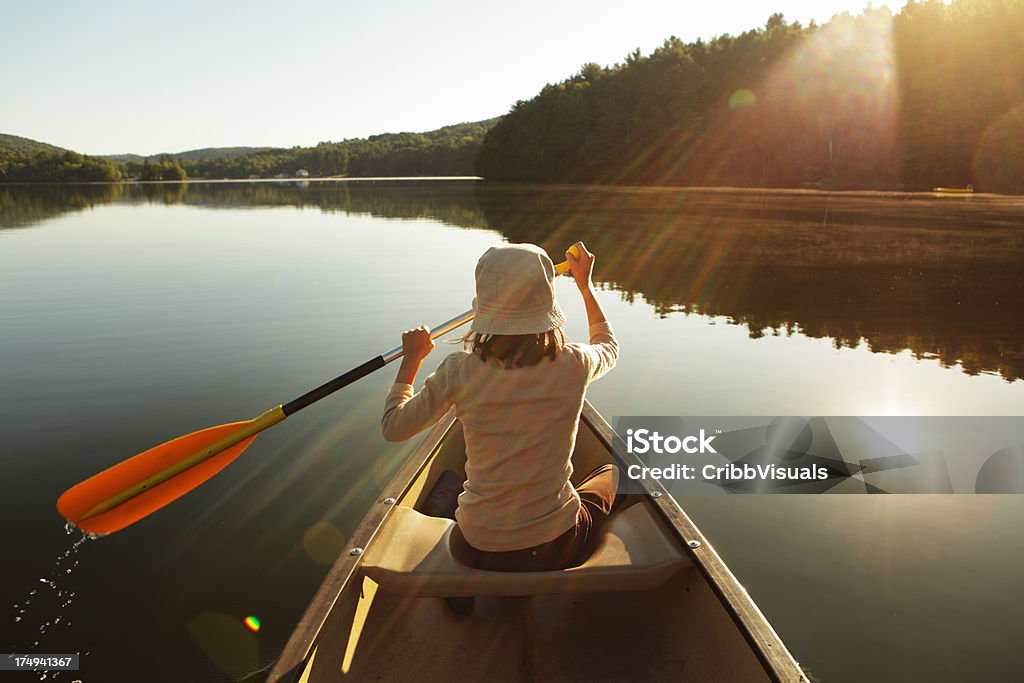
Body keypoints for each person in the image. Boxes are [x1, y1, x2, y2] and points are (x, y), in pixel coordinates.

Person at [381, 241, 619, 577]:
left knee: (452, 484)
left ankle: (470, 585)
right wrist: (585, 286)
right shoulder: (575, 363)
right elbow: (607, 345)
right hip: (556, 545)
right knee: (617, 472)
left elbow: (393, 427)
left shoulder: (458, 370)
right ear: (546, 303)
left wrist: (411, 361)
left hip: (477, 548)